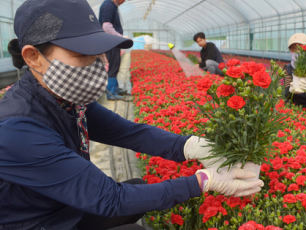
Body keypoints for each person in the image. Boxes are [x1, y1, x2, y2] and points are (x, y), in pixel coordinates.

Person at [0, 0, 264, 229]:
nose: (99, 64)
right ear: (33, 57)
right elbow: (110, 199)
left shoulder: (64, 98)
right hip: (40, 222)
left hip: (66, 208)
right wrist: (203, 181)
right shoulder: (17, 129)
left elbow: (128, 132)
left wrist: (192, 146)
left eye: (98, 52)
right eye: (82, 54)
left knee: (138, 186)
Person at [99, 0, 128, 100]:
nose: (124, 1)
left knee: (115, 66)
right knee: (112, 67)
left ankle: (115, 89)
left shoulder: (112, 6)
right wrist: (120, 37)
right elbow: (106, 27)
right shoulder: (108, 5)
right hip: (110, 42)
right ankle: (111, 93)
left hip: (113, 42)